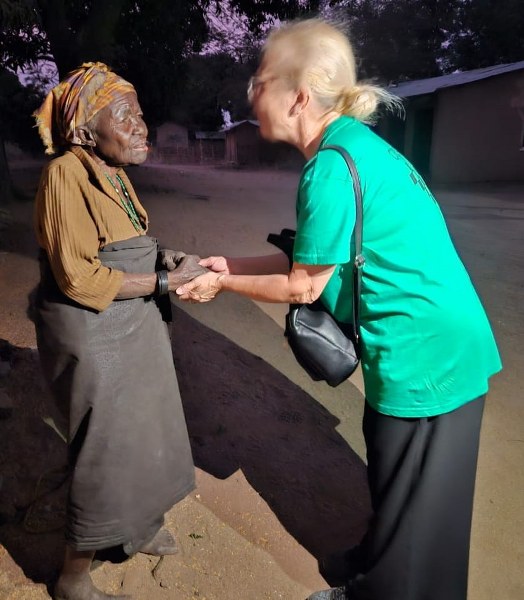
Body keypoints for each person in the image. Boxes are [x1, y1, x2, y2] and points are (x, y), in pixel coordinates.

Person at [175, 18, 502, 600]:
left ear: (299, 96)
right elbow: (313, 258)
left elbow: (303, 287)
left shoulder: (330, 166)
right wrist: (230, 264)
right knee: (404, 482)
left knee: (417, 499)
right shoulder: (352, 145)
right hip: (438, 339)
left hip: (424, 351)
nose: (252, 92)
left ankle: (381, 589)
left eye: (261, 80)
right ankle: (376, 563)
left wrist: (221, 285)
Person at [32, 62, 205, 600]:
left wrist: (164, 257)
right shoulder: (64, 174)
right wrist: (164, 280)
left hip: (134, 322)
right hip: (96, 332)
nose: (140, 127)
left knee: (148, 428)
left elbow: (125, 242)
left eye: (140, 114)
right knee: (106, 449)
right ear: (85, 132)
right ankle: (72, 579)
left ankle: (139, 527)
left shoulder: (111, 171)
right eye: (124, 116)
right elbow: (78, 277)